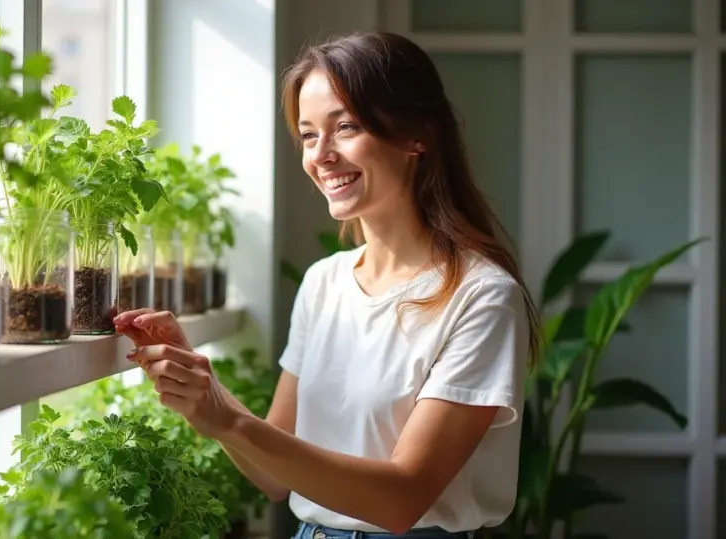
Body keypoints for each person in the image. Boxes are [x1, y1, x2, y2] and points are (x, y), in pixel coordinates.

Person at [114, 30, 540, 539]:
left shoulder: (481, 296)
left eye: (346, 127)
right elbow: (274, 479)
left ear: (416, 135)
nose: (322, 156)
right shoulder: (325, 283)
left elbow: (402, 500)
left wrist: (227, 418)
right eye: (309, 134)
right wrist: (201, 394)